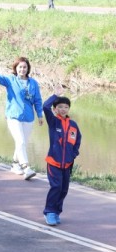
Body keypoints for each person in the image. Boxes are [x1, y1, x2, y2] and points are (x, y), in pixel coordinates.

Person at [0, 57, 43, 180]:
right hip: (14, 116)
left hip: (29, 117)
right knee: (20, 141)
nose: (22, 69)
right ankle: (26, 167)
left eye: (25, 67)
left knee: (22, 143)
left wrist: (40, 114)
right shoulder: (10, 80)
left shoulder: (33, 83)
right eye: (20, 67)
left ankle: (15, 164)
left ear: (28, 68)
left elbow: (37, 100)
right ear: (15, 68)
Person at [42, 85, 81, 226]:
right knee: (56, 187)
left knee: (64, 189)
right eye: (60, 107)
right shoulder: (53, 122)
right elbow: (45, 107)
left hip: (67, 164)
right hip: (54, 162)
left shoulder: (73, 124)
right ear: (55, 109)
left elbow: (77, 140)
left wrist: (74, 154)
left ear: (68, 109)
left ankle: (57, 211)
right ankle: (49, 212)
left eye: (65, 107)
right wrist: (55, 95)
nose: (63, 109)